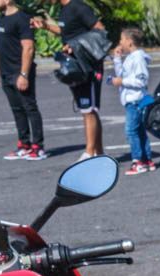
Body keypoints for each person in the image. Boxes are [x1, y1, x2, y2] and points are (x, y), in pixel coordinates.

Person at [31, 0, 106, 160]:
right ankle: (98, 153)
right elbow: (66, 31)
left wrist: (75, 45)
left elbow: (100, 30)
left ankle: (89, 152)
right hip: (75, 66)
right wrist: (45, 25)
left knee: (89, 109)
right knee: (86, 110)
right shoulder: (64, 9)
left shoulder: (79, 7)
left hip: (87, 66)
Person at [0, 0, 46, 160]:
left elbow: (28, 48)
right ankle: (24, 145)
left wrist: (24, 74)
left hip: (19, 72)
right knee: (17, 109)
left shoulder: (22, 19)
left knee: (30, 108)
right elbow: (2, 47)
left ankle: (38, 147)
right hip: (6, 73)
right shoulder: (1, 19)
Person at [109, 28, 154, 174]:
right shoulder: (130, 57)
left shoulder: (138, 58)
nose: (120, 43)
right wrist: (117, 60)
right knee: (139, 130)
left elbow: (141, 80)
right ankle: (147, 160)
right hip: (130, 100)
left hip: (135, 100)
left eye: (121, 39)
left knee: (131, 131)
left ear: (129, 41)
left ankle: (138, 161)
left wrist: (122, 81)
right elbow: (122, 74)